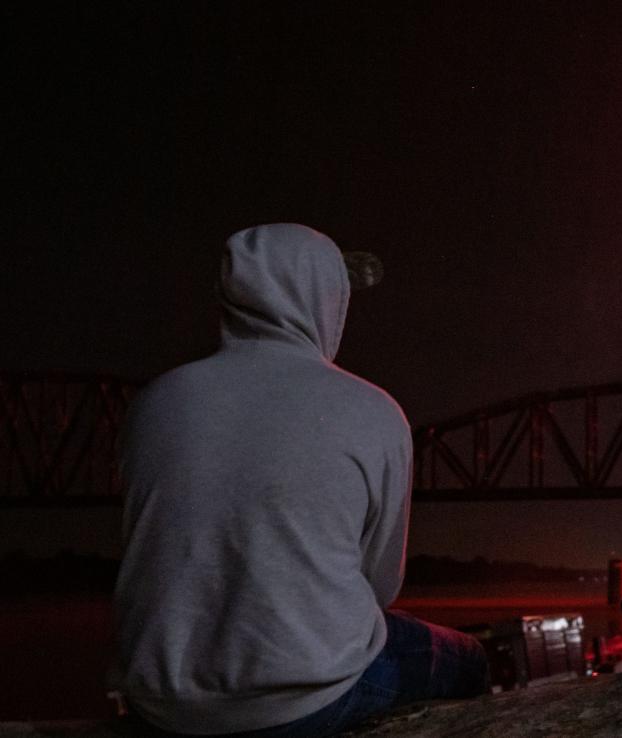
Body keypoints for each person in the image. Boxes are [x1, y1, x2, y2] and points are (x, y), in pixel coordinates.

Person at [112, 224, 488, 737]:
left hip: (162, 704)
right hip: (300, 705)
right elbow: (380, 586)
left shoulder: (155, 402)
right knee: (469, 658)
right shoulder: (372, 410)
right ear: (321, 301)